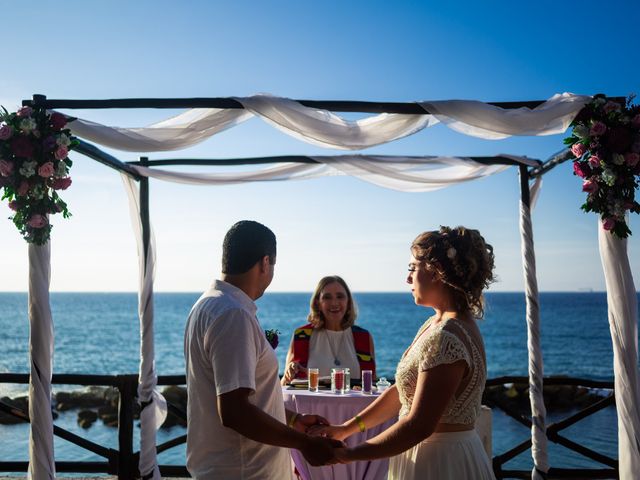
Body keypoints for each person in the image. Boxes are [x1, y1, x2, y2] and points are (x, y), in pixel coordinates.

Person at [310, 226, 496, 479]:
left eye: (412, 269)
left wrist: (347, 455)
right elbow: (402, 391)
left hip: (440, 463)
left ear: (437, 272)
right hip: (440, 453)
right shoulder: (438, 324)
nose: (408, 279)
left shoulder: (446, 336)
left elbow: (418, 426)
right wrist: (346, 429)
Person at [184, 220, 341, 479]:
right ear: (265, 262)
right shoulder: (232, 314)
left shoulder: (207, 305)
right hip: (244, 469)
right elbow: (235, 410)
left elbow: (235, 394)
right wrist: (304, 443)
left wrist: (292, 419)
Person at [281, 275, 375, 385]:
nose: (334, 303)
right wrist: (288, 376)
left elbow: (372, 386)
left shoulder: (363, 337)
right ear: (318, 303)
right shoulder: (301, 336)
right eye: (327, 297)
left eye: (340, 296)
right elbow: (284, 386)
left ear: (348, 301)